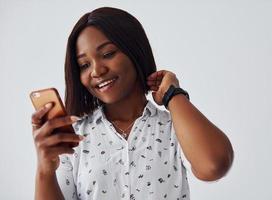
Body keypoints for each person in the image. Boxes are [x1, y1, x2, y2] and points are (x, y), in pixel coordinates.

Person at [31, 7, 234, 200]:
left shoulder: (174, 127)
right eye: (84, 65)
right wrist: (44, 170)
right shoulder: (73, 138)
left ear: (134, 51)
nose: (96, 71)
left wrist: (173, 95)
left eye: (108, 54)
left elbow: (214, 165)